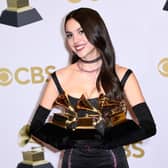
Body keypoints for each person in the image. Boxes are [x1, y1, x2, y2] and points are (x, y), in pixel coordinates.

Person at [29, 7, 156, 168]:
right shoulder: (59, 77)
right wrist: (66, 140)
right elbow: (36, 127)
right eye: (69, 35)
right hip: (72, 162)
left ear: (97, 31)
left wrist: (109, 139)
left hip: (113, 161)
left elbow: (148, 126)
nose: (75, 40)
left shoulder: (123, 75)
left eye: (81, 31)